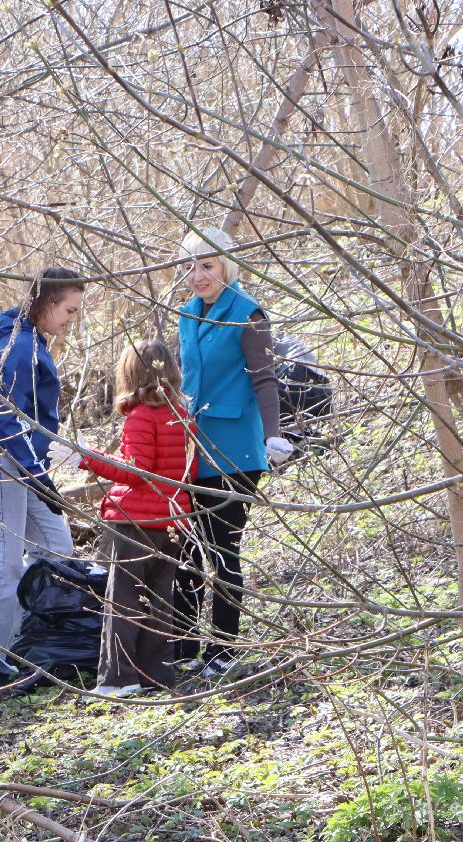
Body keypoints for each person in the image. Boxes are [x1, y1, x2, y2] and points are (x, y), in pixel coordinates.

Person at [0, 267, 85, 690]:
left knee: (55, 547)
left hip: (20, 464)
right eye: (68, 309)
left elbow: (34, 418)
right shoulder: (20, 347)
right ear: (47, 303)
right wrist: (36, 474)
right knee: (3, 562)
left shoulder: (31, 342)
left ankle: (25, 646)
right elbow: (3, 419)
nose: (71, 319)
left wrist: (40, 473)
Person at [171, 228, 295, 677]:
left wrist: (273, 435)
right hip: (190, 445)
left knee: (222, 548)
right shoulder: (186, 313)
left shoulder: (248, 314)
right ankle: (183, 647)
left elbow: (264, 379)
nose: (197, 275)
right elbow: (187, 378)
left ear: (226, 264)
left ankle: (222, 651)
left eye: (206, 264)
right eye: (189, 266)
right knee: (185, 545)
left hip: (236, 448)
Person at [50, 341, 194, 697]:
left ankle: (118, 679)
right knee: (161, 599)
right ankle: (155, 675)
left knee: (124, 601)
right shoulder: (181, 413)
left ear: (129, 374)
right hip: (172, 521)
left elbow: (136, 471)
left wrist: (85, 457)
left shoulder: (142, 415)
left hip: (137, 524)